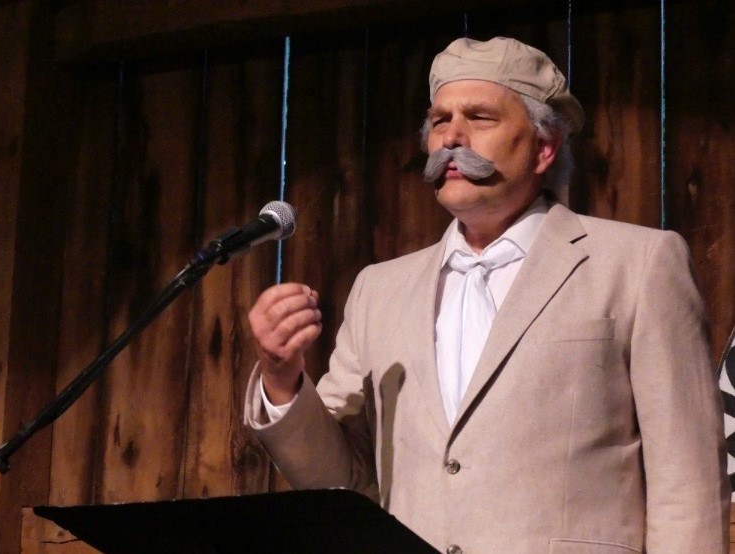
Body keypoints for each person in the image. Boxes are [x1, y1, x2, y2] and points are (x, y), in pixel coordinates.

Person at [244, 37, 729, 553]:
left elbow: (689, 485)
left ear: (545, 146)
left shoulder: (637, 265)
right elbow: (344, 482)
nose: (451, 136)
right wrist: (282, 379)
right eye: (439, 120)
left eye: (480, 118)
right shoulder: (380, 291)